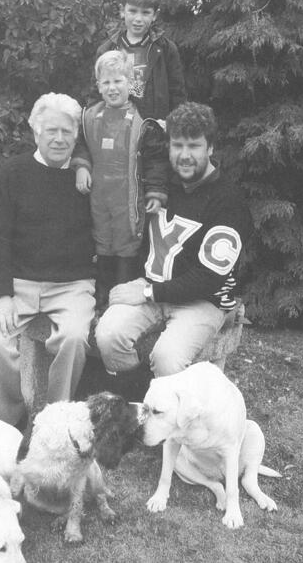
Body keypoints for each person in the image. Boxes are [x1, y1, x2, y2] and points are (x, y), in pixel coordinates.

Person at [95, 101, 252, 382]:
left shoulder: (228, 201)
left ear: (211, 148)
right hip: (152, 287)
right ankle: (137, 400)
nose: (184, 155)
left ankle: (167, 413)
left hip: (202, 301)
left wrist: (147, 293)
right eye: (177, 145)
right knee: (108, 335)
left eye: (194, 146)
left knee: (168, 357)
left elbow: (208, 279)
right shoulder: (161, 183)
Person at [0, 93, 96, 428]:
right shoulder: (14, 173)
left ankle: (55, 422)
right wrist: (1, 295)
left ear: (76, 136)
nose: (59, 139)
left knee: (73, 338)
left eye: (67, 132)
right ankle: (11, 422)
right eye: (51, 131)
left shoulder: (87, 179)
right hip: (19, 283)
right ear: (36, 133)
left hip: (72, 284)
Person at [73, 50, 168, 309]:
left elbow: (156, 160)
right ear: (98, 86)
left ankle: (123, 299)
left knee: (127, 243)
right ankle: (102, 297)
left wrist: (156, 192)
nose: (112, 88)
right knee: (103, 240)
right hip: (99, 196)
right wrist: (81, 167)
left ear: (130, 83)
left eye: (118, 81)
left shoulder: (144, 121)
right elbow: (81, 146)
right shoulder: (90, 116)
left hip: (129, 198)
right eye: (106, 82)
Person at [93, 0, 186, 121]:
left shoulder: (166, 49)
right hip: (118, 130)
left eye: (145, 12)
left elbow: (177, 94)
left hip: (155, 131)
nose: (138, 18)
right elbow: (95, 95)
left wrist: (173, 124)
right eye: (133, 11)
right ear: (122, 11)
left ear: (154, 15)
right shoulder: (106, 50)